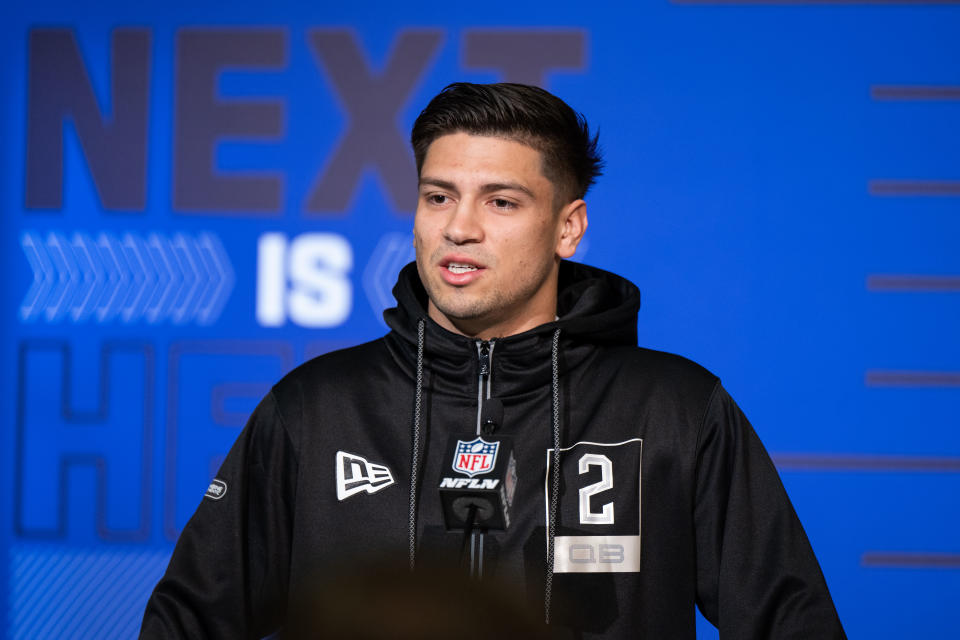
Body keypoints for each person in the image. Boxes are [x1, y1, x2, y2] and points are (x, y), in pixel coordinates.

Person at [140, 82, 846, 639]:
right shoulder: (316, 406)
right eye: (437, 196)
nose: (459, 227)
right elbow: (189, 622)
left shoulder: (677, 411)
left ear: (568, 226)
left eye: (501, 201)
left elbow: (793, 623)